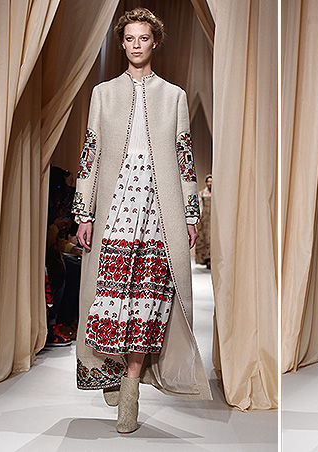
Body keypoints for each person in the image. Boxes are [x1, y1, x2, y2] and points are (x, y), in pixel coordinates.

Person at [73, 7, 211, 434]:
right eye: (130, 38)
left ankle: (131, 387)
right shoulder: (103, 94)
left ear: (155, 42)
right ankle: (110, 370)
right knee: (109, 298)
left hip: (157, 209)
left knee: (149, 301)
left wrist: (190, 213)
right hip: (114, 209)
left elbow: (184, 156)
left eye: (143, 38)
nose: (136, 45)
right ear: (122, 43)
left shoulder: (173, 96)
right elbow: (91, 152)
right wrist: (84, 212)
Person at [195, 174, 212, 269]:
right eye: (208, 181)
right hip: (205, 219)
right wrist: (198, 219)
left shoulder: (216, 194)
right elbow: (200, 207)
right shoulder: (202, 193)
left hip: (213, 219)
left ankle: (212, 259)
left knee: (212, 238)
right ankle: (206, 259)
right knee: (205, 239)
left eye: (211, 182)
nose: (210, 183)